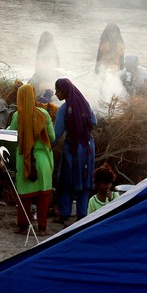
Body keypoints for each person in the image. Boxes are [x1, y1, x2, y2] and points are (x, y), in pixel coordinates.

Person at [8, 84, 55, 236]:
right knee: (43, 195)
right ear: (34, 96)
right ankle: (42, 228)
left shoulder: (17, 116)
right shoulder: (44, 114)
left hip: (25, 159)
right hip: (43, 160)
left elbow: (11, 135)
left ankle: (22, 226)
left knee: (24, 195)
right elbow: (52, 137)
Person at [53, 78, 96, 223]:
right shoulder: (85, 104)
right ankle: (82, 215)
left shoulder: (63, 110)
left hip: (73, 149)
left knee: (66, 180)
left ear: (65, 91)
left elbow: (56, 134)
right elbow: (94, 122)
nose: (56, 93)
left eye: (58, 90)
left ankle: (64, 213)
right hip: (88, 147)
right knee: (85, 180)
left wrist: (47, 145)